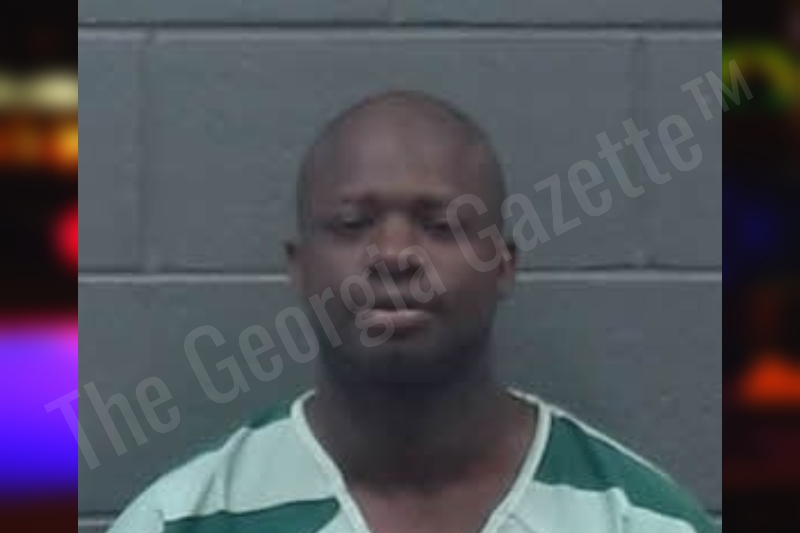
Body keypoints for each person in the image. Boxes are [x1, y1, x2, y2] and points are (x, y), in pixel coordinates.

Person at [108, 91, 719, 533]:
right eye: (353, 224)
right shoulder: (183, 520)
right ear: (299, 268)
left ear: (504, 264)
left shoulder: (637, 520)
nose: (395, 255)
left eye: (441, 225)